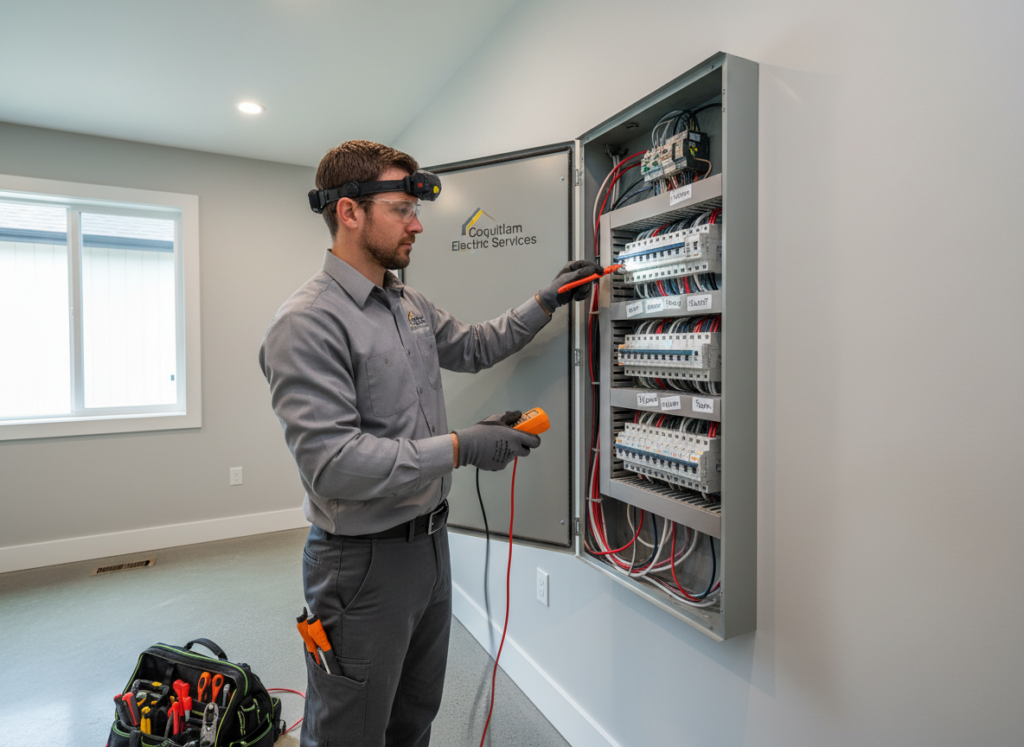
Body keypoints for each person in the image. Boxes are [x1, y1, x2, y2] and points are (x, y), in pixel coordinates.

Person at [258, 140, 598, 747]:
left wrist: (546, 302)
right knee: (349, 732)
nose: (417, 224)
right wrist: (462, 446)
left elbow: (473, 344)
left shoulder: (406, 302)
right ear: (349, 212)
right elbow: (333, 466)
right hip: (359, 565)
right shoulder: (307, 322)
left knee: (414, 717)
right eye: (400, 208)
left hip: (429, 549)